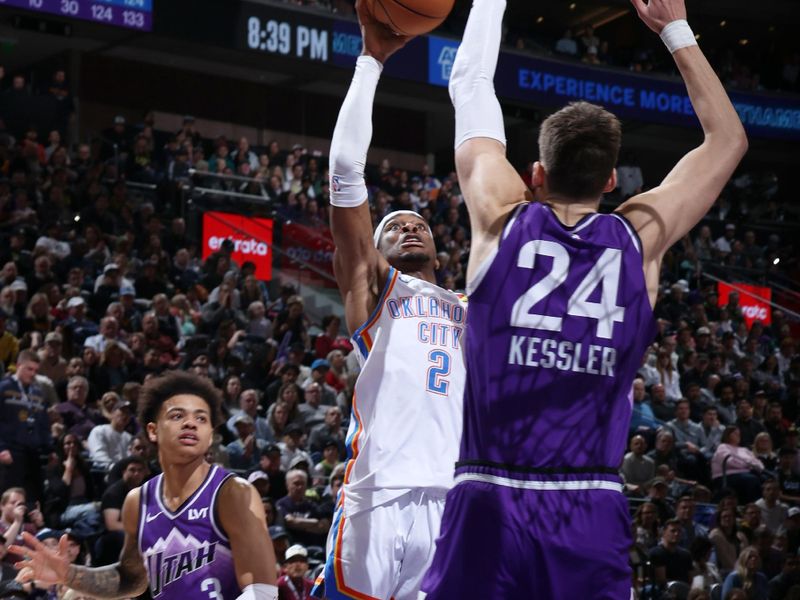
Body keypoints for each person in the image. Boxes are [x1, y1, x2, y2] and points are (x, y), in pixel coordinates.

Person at [420, 0, 747, 594]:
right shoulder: (638, 237)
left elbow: (468, 79)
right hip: (587, 503)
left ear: (535, 173)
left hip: (487, 498)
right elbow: (727, 140)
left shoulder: (498, 217)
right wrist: (674, 28)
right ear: (611, 181)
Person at [311, 5, 467, 599]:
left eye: (418, 223)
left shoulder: (470, 305)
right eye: (392, 225)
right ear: (371, 251)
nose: (407, 228)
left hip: (455, 501)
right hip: (377, 495)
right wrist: (371, 62)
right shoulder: (376, 289)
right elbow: (346, 170)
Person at [11, 370, 278, 600]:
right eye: (177, 416)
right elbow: (130, 579)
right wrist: (68, 574)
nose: (190, 423)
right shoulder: (138, 501)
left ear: (210, 436)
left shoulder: (233, 493)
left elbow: (263, 590)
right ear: (152, 431)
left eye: (201, 418)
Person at [0, 350, 51, 501]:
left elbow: (43, 423)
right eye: (29, 369)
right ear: (18, 366)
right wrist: (1, 448)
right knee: (9, 498)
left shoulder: (38, 393)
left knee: (34, 497)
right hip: (11, 452)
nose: (33, 373)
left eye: (36, 370)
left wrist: (49, 448)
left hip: (33, 452)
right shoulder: (4, 388)